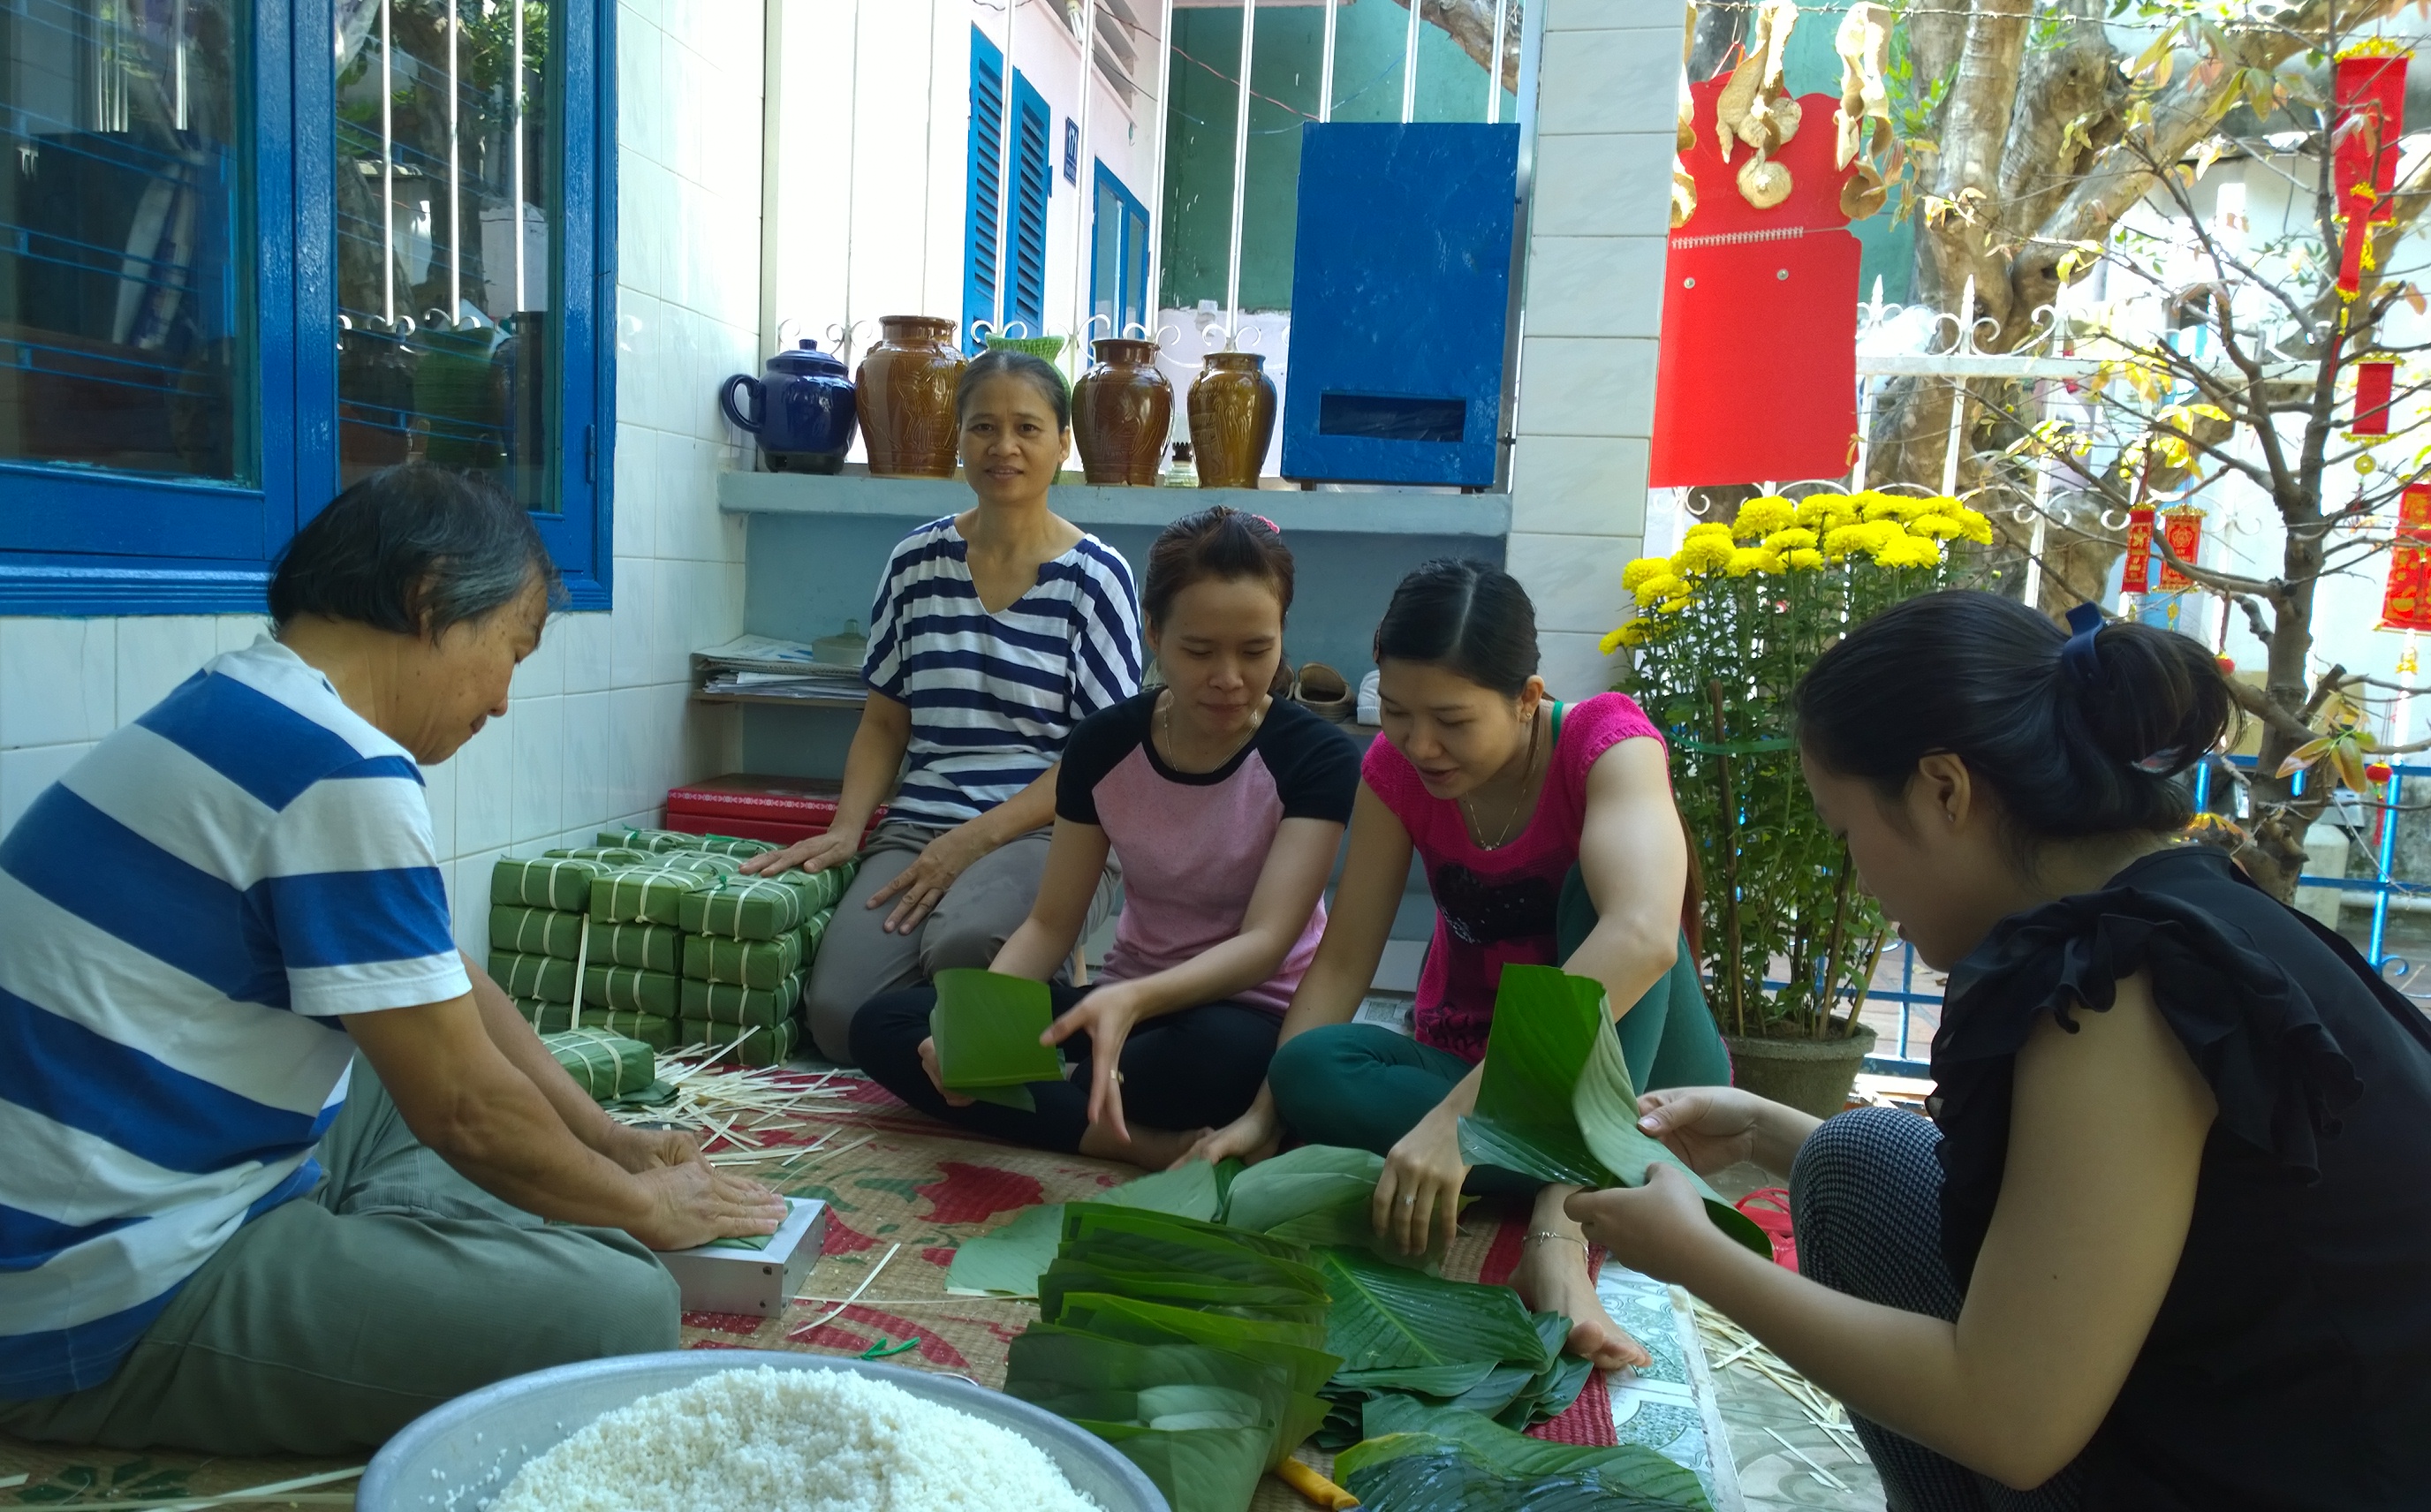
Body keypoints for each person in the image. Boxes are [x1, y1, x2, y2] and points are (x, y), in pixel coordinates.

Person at [0, 467, 787, 1456]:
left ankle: (429, 1241)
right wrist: (642, 1208)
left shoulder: (251, 704)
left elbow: (447, 992)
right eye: (513, 650)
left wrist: (609, 1141)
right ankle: (445, 1253)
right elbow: (460, 1107)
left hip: (78, 1229)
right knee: (620, 1309)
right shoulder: (338, 768)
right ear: (431, 596)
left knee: (410, 1048)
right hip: (93, 1312)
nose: (502, 700)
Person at [1565, 592, 2431, 1509]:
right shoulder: (2189, 906)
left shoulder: (2117, 989)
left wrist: (1695, 1254)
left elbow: (2010, 1423)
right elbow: (2082, 1208)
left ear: (1945, 791)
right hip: (2258, 1416)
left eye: (1845, 831)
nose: (1858, 875)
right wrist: (1759, 1129)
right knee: (1859, 1155)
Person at [1185, 559, 1728, 1368]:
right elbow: (1343, 961)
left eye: (1451, 720)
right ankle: (1595, 1172)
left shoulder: (1608, 744)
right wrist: (1266, 1113)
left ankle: (1561, 1216)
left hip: (1647, 1068)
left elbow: (1646, 939)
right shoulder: (1396, 771)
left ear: (1527, 698)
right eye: (1397, 712)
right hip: (1474, 1059)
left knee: (1609, 898)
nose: (1421, 745)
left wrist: (1456, 1124)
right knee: (1310, 1068)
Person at [851, 507, 1358, 1168]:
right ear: (1153, 633)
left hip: (1248, 1014)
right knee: (887, 1026)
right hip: (1127, 1002)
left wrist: (1128, 1001)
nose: (1229, 677)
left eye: (1256, 650)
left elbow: (1264, 945)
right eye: (1199, 651)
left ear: (1281, 633)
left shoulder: (1314, 756)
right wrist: (973, 1028)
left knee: (1190, 1066)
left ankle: (1084, 1099)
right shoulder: (1106, 744)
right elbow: (1052, 924)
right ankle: (1144, 1141)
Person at [746, 350, 1144, 1061]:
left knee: (966, 946)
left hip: (1047, 833)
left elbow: (1099, 763)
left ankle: (1015, 1008)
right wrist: (848, 826)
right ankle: (991, 1025)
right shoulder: (915, 563)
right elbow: (884, 721)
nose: (1004, 447)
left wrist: (976, 839)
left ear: (1062, 443)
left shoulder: (1097, 579)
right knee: (838, 1017)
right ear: (959, 439)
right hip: (919, 826)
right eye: (984, 426)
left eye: (1027, 427)